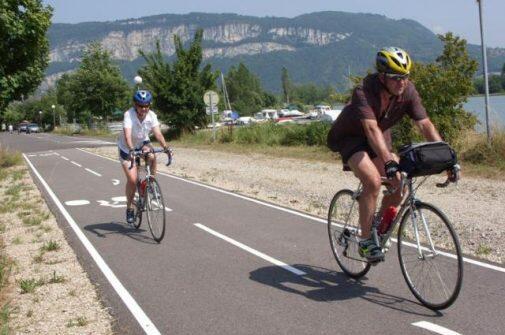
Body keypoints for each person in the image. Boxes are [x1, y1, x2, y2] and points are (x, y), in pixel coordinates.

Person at [327, 47, 453, 262]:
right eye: (396, 78)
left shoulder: (408, 91)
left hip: (379, 136)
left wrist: (446, 156)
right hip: (352, 138)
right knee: (373, 181)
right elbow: (370, 129)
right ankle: (366, 242)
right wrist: (388, 162)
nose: (401, 83)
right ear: (382, 76)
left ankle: (377, 225)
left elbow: (424, 124)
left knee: (400, 180)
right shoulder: (364, 91)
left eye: (405, 77)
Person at [118, 90, 171, 225]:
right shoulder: (128, 115)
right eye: (141, 106)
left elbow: (158, 134)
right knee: (132, 179)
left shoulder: (151, 115)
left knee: (152, 156)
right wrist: (131, 150)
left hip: (142, 143)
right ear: (135, 105)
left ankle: (151, 182)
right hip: (127, 148)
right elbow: (127, 136)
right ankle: (129, 208)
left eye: (146, 105)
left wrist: (166, 148)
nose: (144, 108)